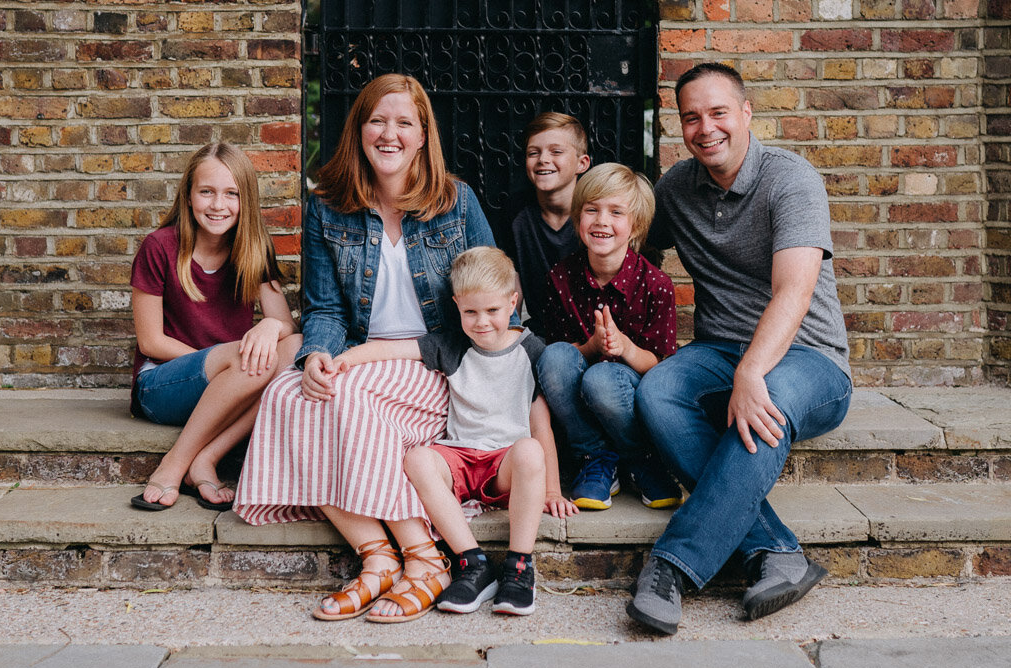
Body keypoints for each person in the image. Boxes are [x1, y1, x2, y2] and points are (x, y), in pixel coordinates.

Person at [233, 73, 497, 622]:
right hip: (356, 355)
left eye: (405, 123)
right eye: (378, 120)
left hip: (435, 362)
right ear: (359, 129)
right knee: (288, 395)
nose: (390, 133)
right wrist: (318, 355)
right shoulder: (330, 206)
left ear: (423, 135)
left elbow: (492, 301)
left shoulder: (457, 201)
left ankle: (424, 560)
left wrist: (362, 359)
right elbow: (326, 310)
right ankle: (376, 558)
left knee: (349, 398)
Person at [626, 62, 852, 635]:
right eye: (692, 117)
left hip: (809, 359)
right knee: (657, 391)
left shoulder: (790, 179)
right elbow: (627, 253)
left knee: (765, 398)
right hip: (721, 349)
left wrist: (752, 373)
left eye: (719, 113)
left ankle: (672, 567)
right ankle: (775, 550)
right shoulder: (677, 188)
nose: (706, 129)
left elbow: (794, 290)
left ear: (746, 114)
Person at [331, 246, 576, 620]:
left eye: (493, 311)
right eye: (470, 312)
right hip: (459, 458)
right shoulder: (451, 345)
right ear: (457, 305)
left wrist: (553, 490)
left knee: (529, 450)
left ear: (513, 302)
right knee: (417, 458)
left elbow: (540, 424)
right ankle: (472, 564)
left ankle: (519, 568)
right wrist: (346, 359)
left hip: (504, 464)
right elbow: (394, 349)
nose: (482, 322)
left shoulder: (531, 350)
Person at [128, 142, 300, 511]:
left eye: (231, 194)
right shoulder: (159, 247)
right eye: (206, 192)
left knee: (295, 347)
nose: (218, 205)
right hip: (161, 384)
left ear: (245, 200)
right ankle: (173, 463)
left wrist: (270, 326)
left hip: (231, 383)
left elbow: (285, 324)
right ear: (188, 196)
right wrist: (223, 366)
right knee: (248, 359)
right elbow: (151, 340)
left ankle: (207, 457)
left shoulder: (253, 248)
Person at [533, 163, 681, 511]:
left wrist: (625, 348)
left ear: (635, 227)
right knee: (550, 358)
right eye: (591, 210)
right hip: (578, 397)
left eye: (616, 212)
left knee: (602, 377)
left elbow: (659, 365)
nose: (601, 221)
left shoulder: (655, 285)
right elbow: (562, 357)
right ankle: (596, 456)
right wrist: (593, 347)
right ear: (577, 219)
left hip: (625, 391)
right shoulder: (561, 277)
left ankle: (640, 457)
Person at [492, 112, 591, 335]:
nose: (543, 159)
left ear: (582, 163)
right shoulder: (515, 214)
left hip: (594, 332)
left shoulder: (595, 214)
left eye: (556, 151)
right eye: (533, 153)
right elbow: (510, 285)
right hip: (541, 332)